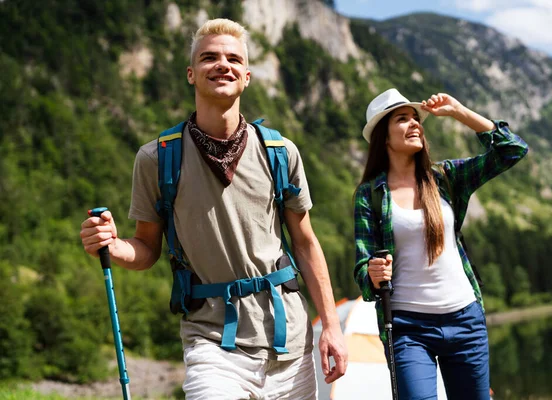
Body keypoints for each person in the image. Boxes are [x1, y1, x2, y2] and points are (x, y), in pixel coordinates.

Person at [81, 18, 347, 399]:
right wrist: (111, 244)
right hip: (211, 340)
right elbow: (145, 247)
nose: (223, 65)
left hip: (289, 340)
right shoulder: (157, 159)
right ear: (191, 73)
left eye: (233, 59)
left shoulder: (280, 153)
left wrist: (332, 328)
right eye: (209, 58)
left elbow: (305, 244)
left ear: (247, 76)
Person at [353, 88, 528, 399]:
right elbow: (363, 268)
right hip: (407, 328)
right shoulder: (370, 195)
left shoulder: (446, 177)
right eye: (402, 119)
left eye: (416, 119)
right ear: (384, 137)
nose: (414, 124)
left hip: (465, 319)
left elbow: (511, 150)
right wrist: (373, 271)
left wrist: (460, 111)